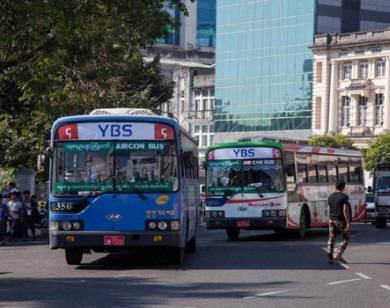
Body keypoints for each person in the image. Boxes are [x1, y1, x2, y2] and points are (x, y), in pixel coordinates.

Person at [327, 181, 351, 264]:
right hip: (341, 220)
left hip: (331, 219)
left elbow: (329, 209)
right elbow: (345, 210)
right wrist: (348, 223)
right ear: (344, 187)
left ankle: (330, 256)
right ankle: (338, 254)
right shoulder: (344, 197)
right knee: (346, 237)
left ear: (335, 187)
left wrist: (330, 218)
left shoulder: (331, 196)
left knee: (331, 237)